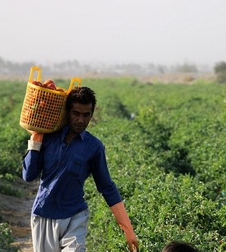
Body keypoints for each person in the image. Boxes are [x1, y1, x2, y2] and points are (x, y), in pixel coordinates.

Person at [22, 86, 139, 252]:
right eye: (76, 113)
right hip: (44, 214)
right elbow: (28, 175)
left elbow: (107, 188)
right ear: (68, 112)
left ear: (92, 115)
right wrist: (36, 138)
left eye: (86, 115)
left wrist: (128, 229)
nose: (80, 120)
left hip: (75, 216)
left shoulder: (94, 147)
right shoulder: (49, 137)